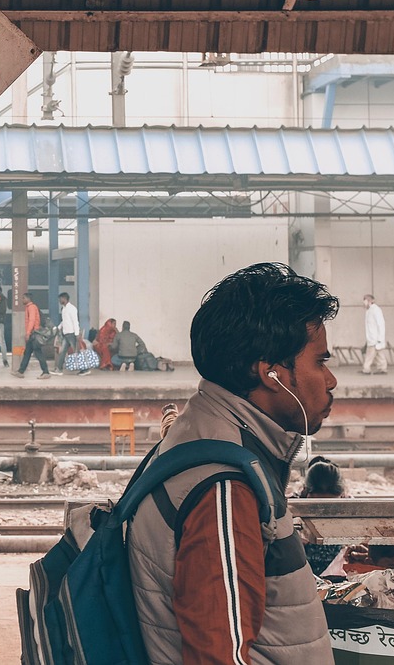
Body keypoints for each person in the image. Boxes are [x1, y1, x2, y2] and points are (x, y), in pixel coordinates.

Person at [128, 262, 339, 665]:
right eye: (319, 362)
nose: (330, 380)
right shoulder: (224, 488)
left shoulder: (205, 432)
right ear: (272, 374)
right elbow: (217, 655)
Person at [297, 457, 347, 577]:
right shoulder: (290, 511)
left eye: (331, 507)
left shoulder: (351, 511)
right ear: (305, 493)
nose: (324, 512)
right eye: (317, 507)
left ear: (342, 496)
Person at [11, 293, 50, 379]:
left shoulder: (31, 307)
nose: (22, 300)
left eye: (23, 298)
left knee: (38, 353)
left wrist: (28, 333)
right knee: (27, 353)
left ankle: (46, 372)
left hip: (33, 334)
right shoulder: (29, 307)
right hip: (32, 334)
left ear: (28, 299)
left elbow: (31, 320)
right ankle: (21, 371)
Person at [52, 292, 80, 376]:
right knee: (62, 352)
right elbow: (64, 321)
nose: (59, 301)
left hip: (71, 334)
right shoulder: (64, 309)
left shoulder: (72, 308)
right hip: (66, 334)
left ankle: (84, 369)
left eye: (60, 299)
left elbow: (75, 321)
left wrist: (77, 333)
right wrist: (59, 327)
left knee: (76, 352)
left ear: (64, 299)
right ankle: (59, 369)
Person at [361, 293, 388, 375]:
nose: (363, 303)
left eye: (364, 301)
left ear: (369, 301)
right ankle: (382, 368)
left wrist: (380, 339)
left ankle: (366, 369)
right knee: (379, 355)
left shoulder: (376, 310)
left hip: (374, 338)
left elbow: (381, 324)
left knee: (370, 355)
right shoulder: (369, 310)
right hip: (372, 338)